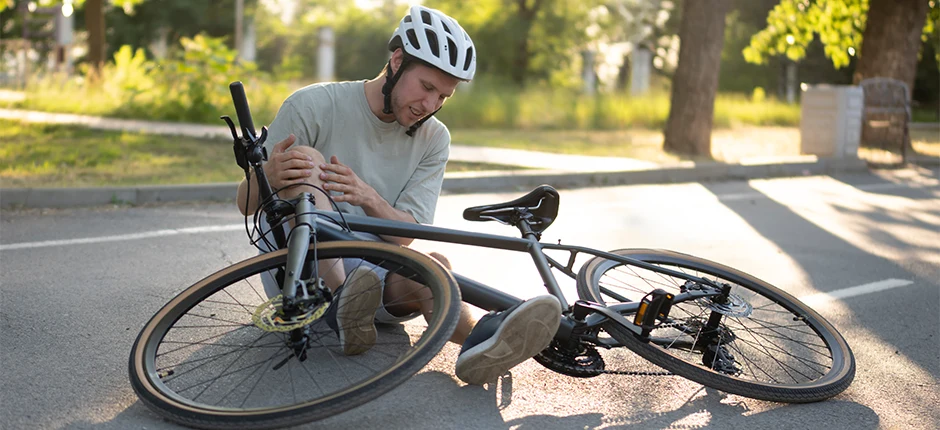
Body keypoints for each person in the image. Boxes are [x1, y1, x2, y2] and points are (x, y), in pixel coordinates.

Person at [235, 5, 561, 385]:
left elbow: (405, 236)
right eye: (427, 87)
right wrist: (267, 175)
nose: (430, 105)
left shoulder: (434, 138)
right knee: (305, 160)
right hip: (302, 270)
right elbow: (245, 204)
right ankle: (341, 303)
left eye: (444, 96)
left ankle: (480, 345)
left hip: (373, 276)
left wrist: (368, 197)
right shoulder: (314, 105)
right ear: (397, 61)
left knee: (434, 267)